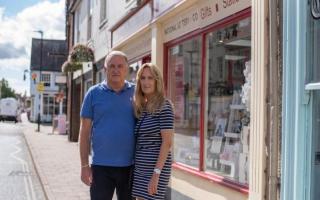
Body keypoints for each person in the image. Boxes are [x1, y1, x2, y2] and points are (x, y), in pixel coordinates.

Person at [79, 51, 135, 200]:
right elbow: (84, 133)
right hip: (101, 167)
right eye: (112, 66)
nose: (116, 70)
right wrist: (85, 166)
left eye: (120, 66)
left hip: (130, 167)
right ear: (105, 69)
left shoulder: (137, 93)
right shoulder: (93, 93)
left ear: (126, 69)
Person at [132, 63, 174, 200]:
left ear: (157, 81)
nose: (146, 82)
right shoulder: (143, 107)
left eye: (150, 78)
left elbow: (167, 143)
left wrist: (156, 174)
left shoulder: (164, 106)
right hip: (140, 169)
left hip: (155, 170)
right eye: (142, 78)